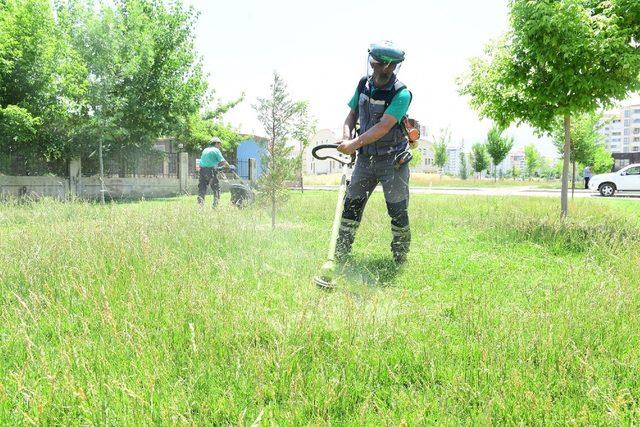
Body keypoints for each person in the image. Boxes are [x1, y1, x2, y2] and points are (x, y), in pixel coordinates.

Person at [335, 41, 413, 264]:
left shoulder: (402, 94)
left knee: (397, 210)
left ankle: (400, 256)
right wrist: (347, 137)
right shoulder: (363, 84)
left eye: (387, 66)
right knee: (352, 205)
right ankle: (341, 253)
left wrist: (354, 144)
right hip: (365, 160)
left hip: (393, 161)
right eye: (376, 64)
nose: (380, 69)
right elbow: (351, 116)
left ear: (393, 66)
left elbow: (383, 127)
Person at [198, 137, 229, 206]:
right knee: (216, 189)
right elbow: (224, 162)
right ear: (216, 143)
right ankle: (215, 206)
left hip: (202, 171)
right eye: (219, 144)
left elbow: (209, 161)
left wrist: (218, 168)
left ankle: (200, 206)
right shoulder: (216, 150)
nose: (220, 146)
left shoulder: (205, 150)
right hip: (211, 171)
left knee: (202, 189)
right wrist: (229, 167)